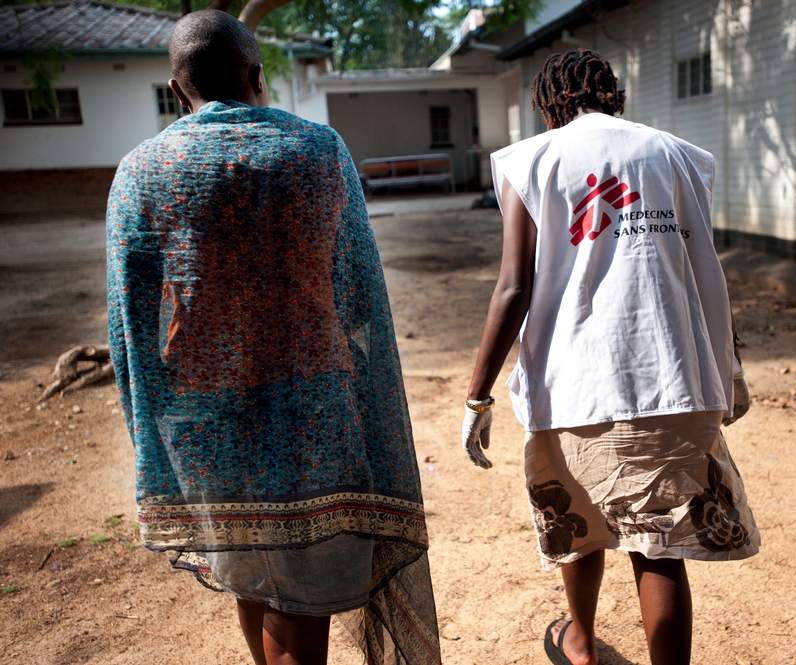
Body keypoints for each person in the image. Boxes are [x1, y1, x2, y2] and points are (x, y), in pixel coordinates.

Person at [106, 11, 440, 665]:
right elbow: (359, 294)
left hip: (204, 433)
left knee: (254, 584)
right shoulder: (319, 151)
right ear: (258, 75)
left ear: (178, 91)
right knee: (299, 615)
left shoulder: (142, 171)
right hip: (311, 422)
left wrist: (151, 437)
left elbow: (129, 330)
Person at [461, 49, 759, 665]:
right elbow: (706, 271)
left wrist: (478, 394)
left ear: (548, 105)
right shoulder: (675, 154)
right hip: (674, 380)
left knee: (579, 525)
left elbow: (514, 286)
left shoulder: (533, 160)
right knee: (659, 548)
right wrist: (728, 370)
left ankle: (580, 645)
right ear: (613, 95)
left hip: (575, 386)